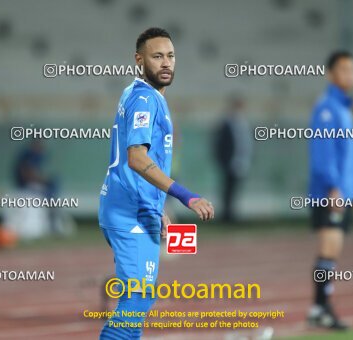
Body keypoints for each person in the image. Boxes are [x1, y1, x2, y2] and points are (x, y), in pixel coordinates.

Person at [98, 27, 214, 339]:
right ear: (139, 60)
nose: (166, 63)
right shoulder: (145, 100)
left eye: (171, 56)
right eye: (157, 56)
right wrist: (186, 196)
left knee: (139, 298)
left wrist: (156, 207)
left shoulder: (138, 94)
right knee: (136, 299)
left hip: (135, 207)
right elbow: (136, 158)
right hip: (128, 213)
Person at [307, 51, 353, 330]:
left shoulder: (342, 108)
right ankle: (322, 309)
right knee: (328, 251)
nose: (350, 75)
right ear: (330, 74)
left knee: (332, 253)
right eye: (344, 69)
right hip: (331, 193)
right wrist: (334, 188)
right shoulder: (328, 108)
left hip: (342, 192)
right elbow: (323, 153)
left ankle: (319, 308)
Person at [213, 93, 253, 222]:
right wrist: (223, 160)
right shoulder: (228, 123)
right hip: (230, 161)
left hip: (240, 161)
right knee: (228, 190)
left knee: (234, 189)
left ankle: (231, 214)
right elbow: (221, 144)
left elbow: (245, 143)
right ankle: (227, 215)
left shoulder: (243, 122)